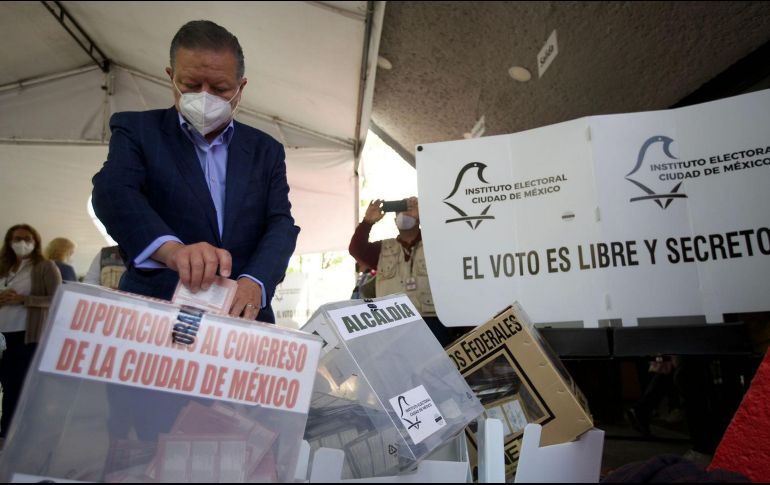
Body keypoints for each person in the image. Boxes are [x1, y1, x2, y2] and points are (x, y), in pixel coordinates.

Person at [90, 20, 299, 443]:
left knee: (245, 446)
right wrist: (171, 250)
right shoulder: (137, 130)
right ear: (170, 78)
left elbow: (281, 223)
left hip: (242, 327)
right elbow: (113, 192)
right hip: (159, 329)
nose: (205, 98)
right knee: (154, 445)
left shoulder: (265, 150)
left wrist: (255, 281)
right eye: (191, 84)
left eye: (220, 89)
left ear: (241, 87)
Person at [349, 197, 469, 346]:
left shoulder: (436, 242)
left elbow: (458, 235)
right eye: (399, 211)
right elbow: (356, 249)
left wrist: (428, 215)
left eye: (410, 210)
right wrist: (367, 222)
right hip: (393, 325)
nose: (404, 214)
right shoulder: (383, 248)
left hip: (433, 324)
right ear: (395, 220)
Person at [0, 224, 62, 437]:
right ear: (9, 242)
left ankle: (11, 432)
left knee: (18, 387)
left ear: (35, 241)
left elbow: (57, 298)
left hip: (26, 335)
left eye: (27, 238)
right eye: (16, 239)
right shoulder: (4, 267)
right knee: (7, 384)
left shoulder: (45, 266)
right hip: (3, 335)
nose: (21, 243)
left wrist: (24, 299)